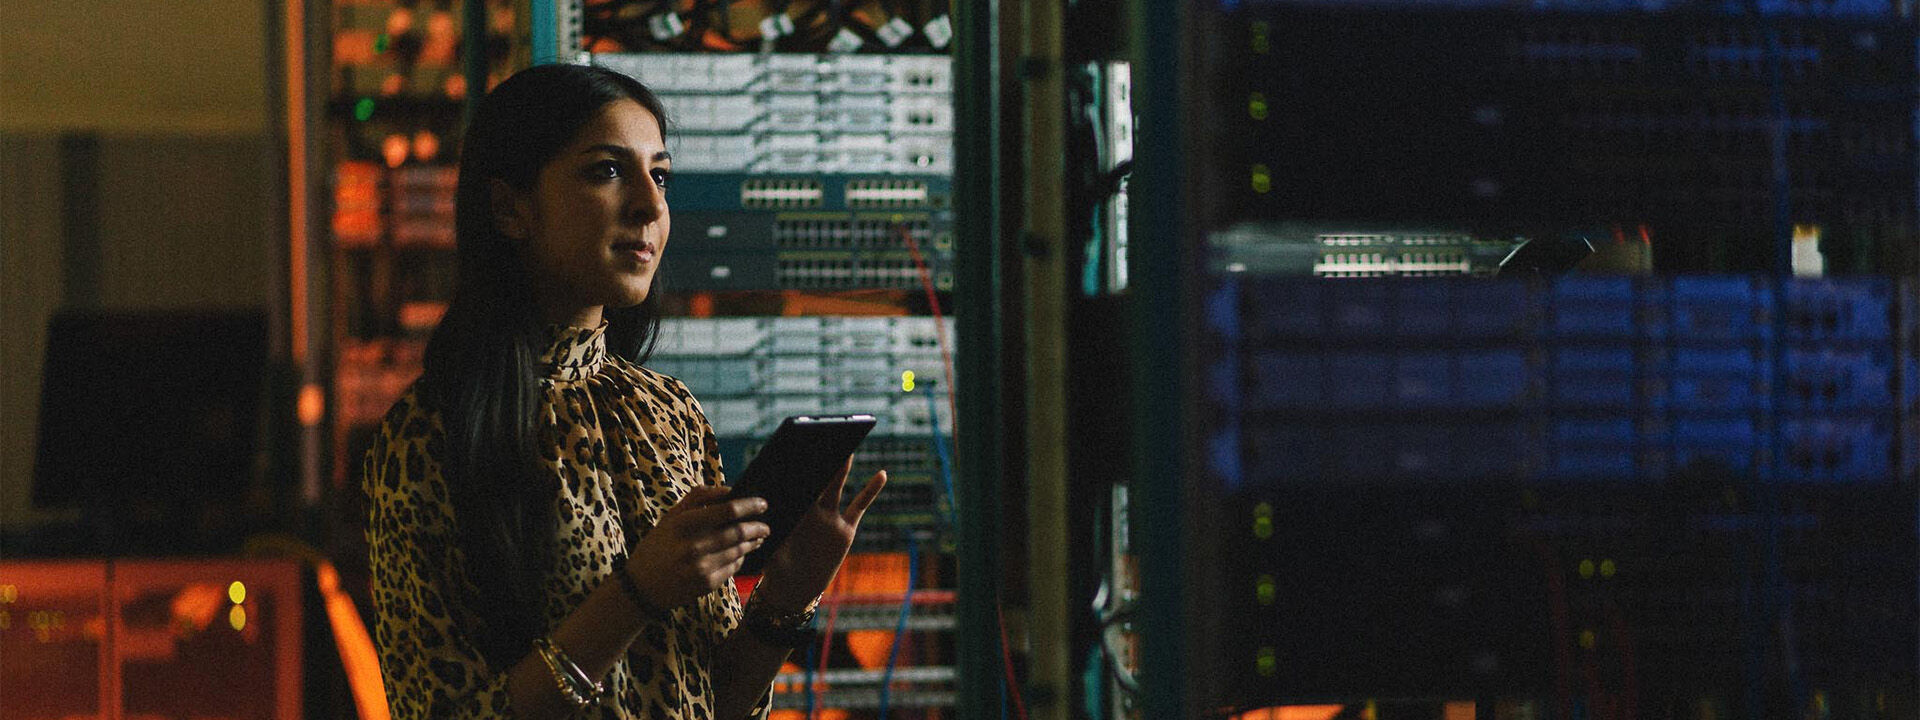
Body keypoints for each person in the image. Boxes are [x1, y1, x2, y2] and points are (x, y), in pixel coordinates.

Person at [362, 63, 887, 720]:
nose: (650, 204)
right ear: (508, 207)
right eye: (607, 171)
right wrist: (636, 593)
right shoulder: (433, 436)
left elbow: (710, 703)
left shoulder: (669, 412)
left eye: (659, 175)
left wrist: (786, 598)